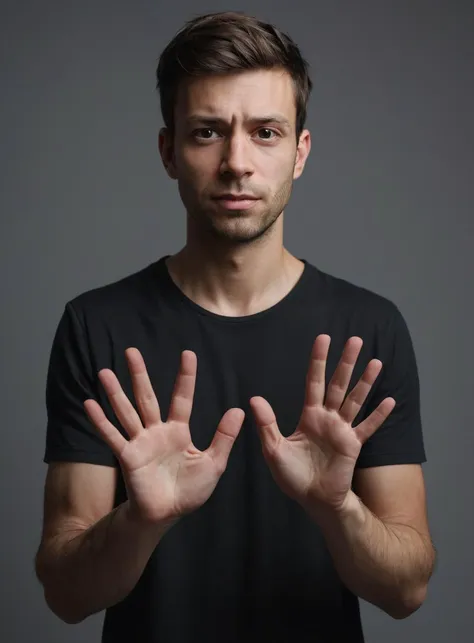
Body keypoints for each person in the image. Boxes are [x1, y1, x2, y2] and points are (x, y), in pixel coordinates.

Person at [35, 10, 436, 643]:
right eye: (207, 132)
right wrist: (141, 520)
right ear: (169, 151)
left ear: (300, 152)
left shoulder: (370, 328)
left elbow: (407, 590)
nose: (236, 162)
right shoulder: (97, 325)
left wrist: (338, 509)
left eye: (267, 132)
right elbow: (65, 594)